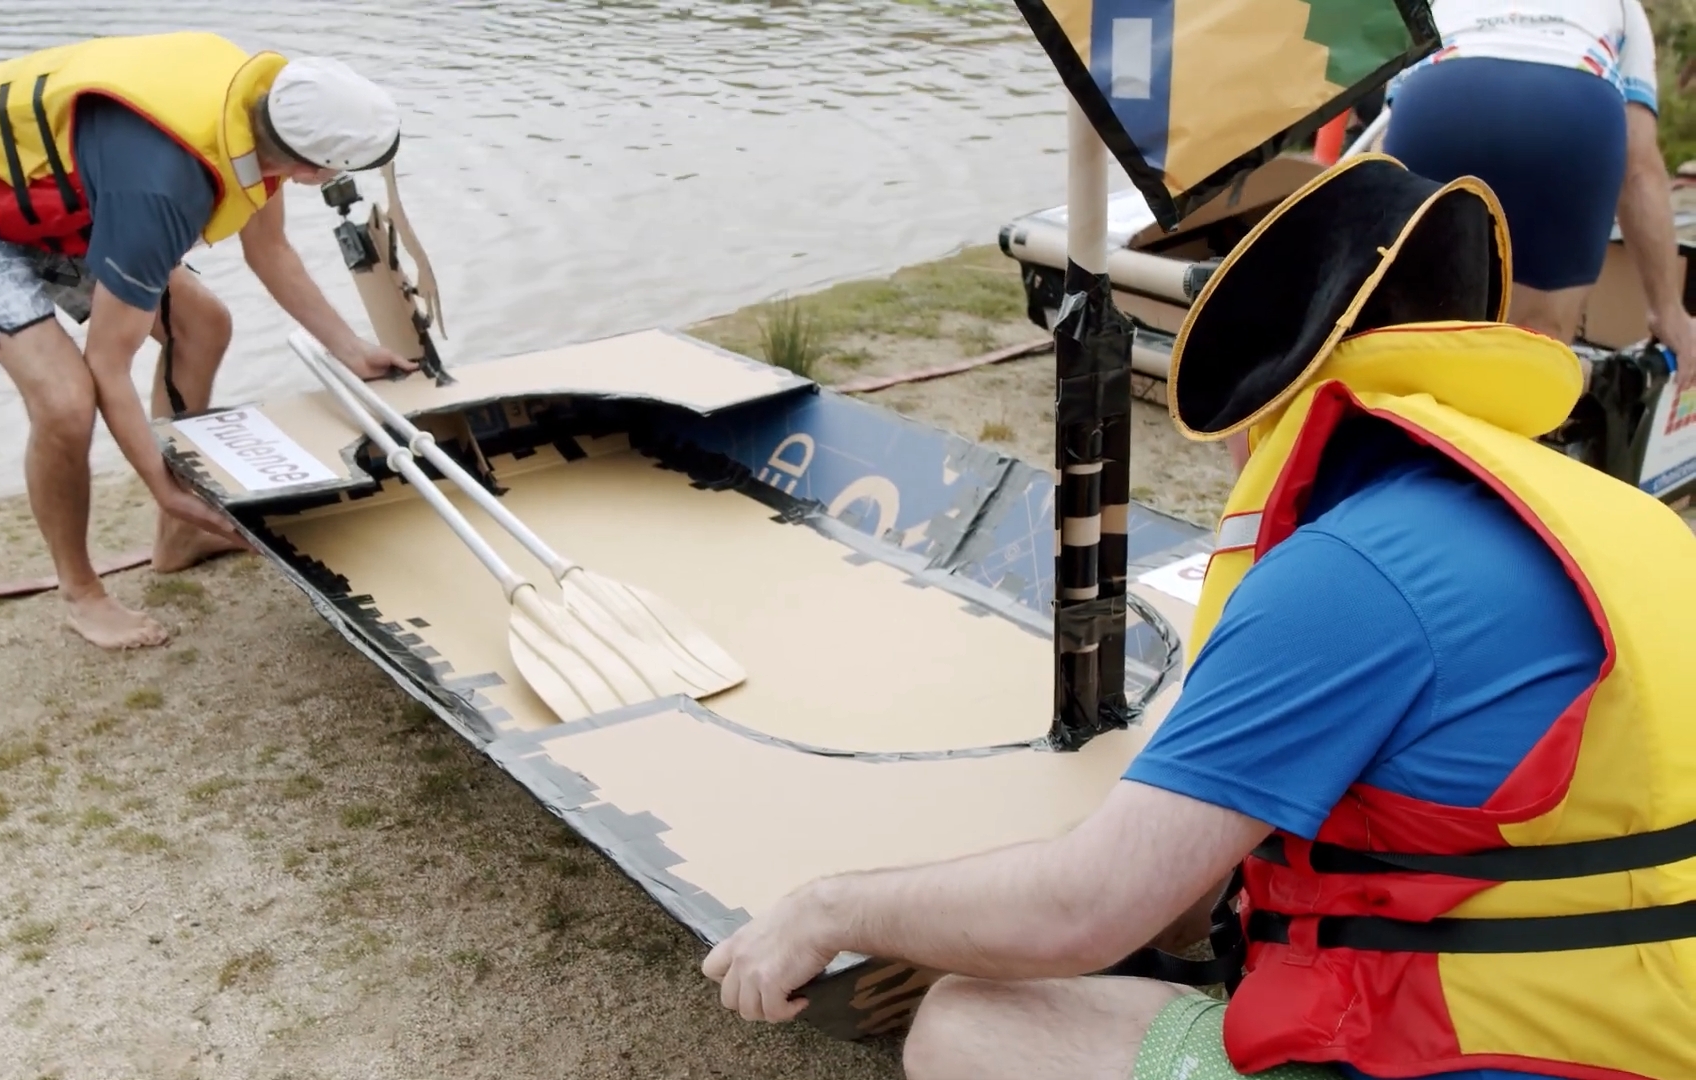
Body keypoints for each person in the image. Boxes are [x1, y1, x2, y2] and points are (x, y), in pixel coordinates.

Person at [702, 154, 1696, 1080]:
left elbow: (1085, 912)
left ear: (1272, 405)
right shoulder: (1600, 513)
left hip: (1504, 1052)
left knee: (969, 1026)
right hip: (1641, 1019)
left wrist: (826, 908)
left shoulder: (1347, 574)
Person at [0, 31, 422, 650]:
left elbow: (270, 250)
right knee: (67, 402)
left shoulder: (257, 114)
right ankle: (82, 592)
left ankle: (177, 540)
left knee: (203, 324)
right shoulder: (165, 188)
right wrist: (165, 485)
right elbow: (109, 363)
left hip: (80, 197)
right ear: (312, 170)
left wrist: (352, 349)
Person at [1378, 0, 1696, 383]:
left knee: (1412, 337)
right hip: (1567, 106)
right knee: (1531, 358)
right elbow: (1639, 169)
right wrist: (1668, 312)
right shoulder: (1623, 7)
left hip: (1440, 94)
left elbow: (1386, 146)